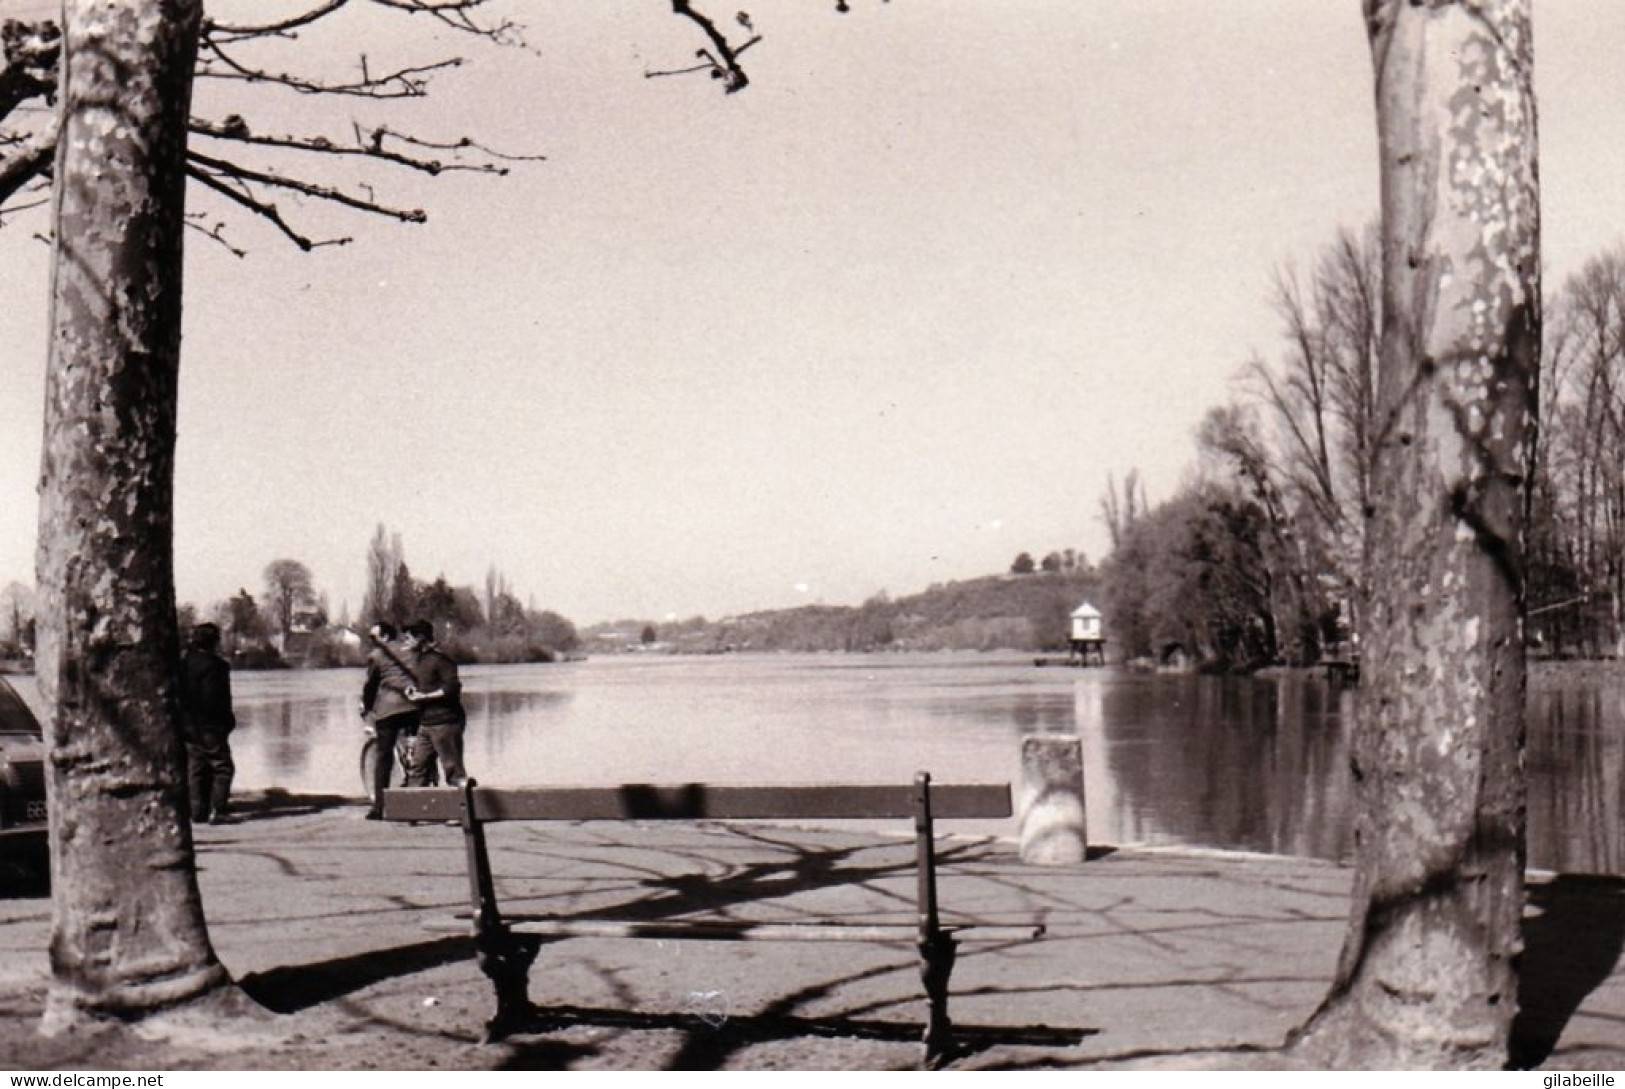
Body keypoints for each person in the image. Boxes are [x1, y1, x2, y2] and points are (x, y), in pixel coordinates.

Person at [360, 621, 423, 819]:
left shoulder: (377, 655)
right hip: (415, 705)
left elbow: (370, 686)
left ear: (385, 637)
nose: (371, 642)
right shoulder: (410, 650)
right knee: (421, 748)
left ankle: (379, 808)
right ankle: (424, 791)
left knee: (383, 756)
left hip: (389, 709)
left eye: (373, 638)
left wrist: (367, 707)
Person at [179, 622, 236, 825]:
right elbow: (218, 698)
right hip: (210, 725)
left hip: (188, 724)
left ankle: (197, 811)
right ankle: (218, 810)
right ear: (214, 642)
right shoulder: (218, 667)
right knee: (223, 767)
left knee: (196, 767)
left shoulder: (183, 664)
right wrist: (227, 722)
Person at [403, 619, 466, 786]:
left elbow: (452, 688)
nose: (405, 642)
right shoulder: (419, 660)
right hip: (426, 724)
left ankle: (465, 809)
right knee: (416, 769)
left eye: (408, 638)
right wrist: (411, 690)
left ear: (420, 638)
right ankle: (414, 810)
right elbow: (424, 684)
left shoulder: (441, 659)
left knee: (453, 772)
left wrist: (423, 696)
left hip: (446, 722)